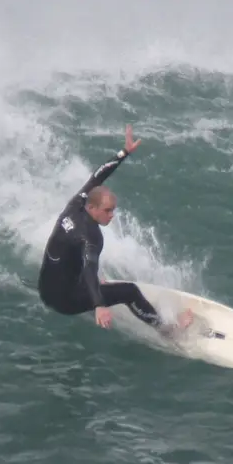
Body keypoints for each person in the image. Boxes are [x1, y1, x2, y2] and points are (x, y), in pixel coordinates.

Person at [37, 125, 185, 332]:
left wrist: (124, 153)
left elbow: (97, 176)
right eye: (107, 211)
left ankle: (88, 289)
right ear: (92, 208)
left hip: (45, 290)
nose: (112, 215)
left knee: (75, 258)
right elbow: (90, 268)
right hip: (65, 302)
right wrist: (99, 305)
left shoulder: (75, 205)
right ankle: (166, 329)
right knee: (130, 291)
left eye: (113, 210)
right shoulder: (92, 235)